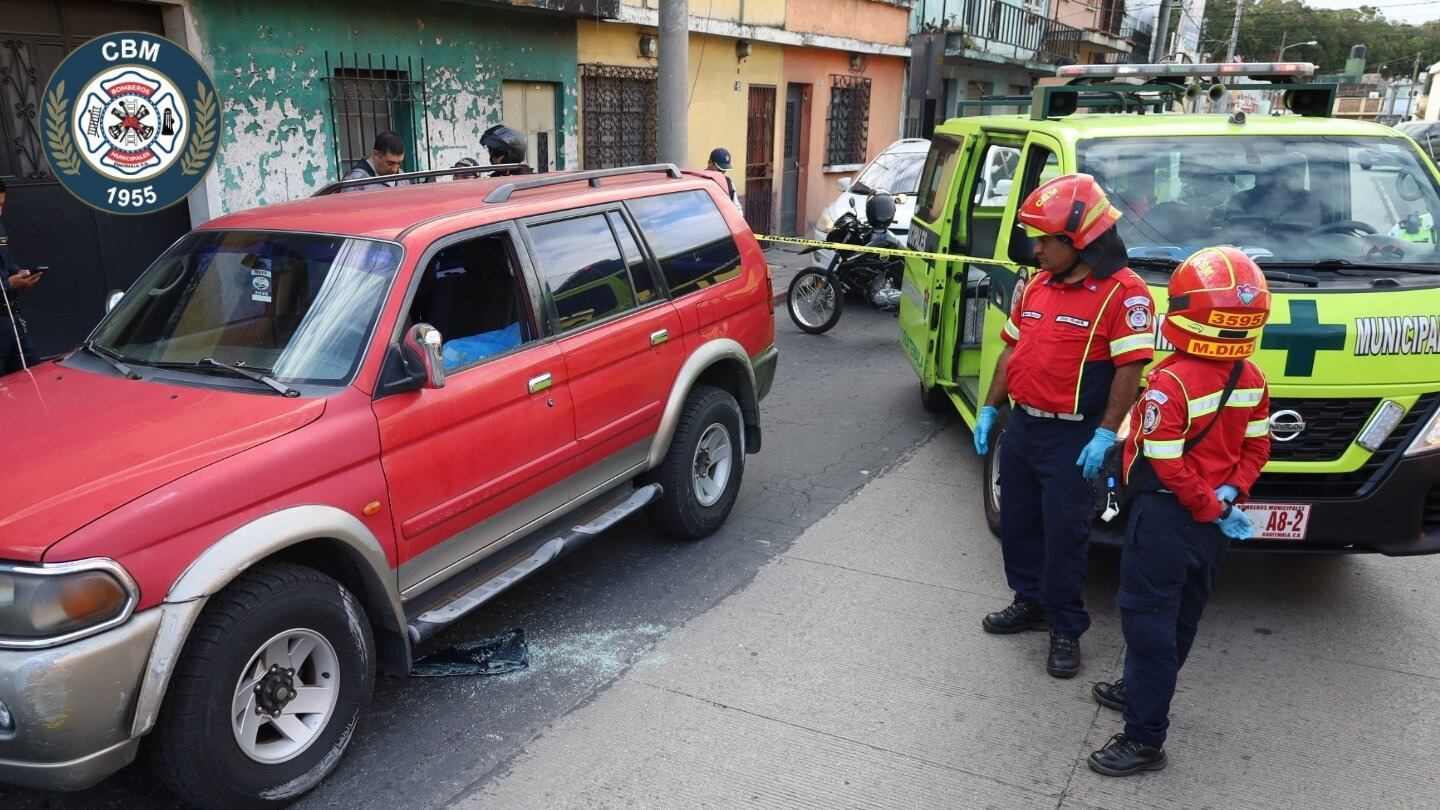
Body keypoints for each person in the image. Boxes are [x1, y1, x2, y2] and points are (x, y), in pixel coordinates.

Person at [1088, 246, 1272, 776]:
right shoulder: (1252, 378)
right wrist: (1230, 498)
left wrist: (1208, 502)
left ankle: (1144, 739)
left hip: (1170, 519)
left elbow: (1166, 463)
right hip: (1212, 528)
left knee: (1149, 627)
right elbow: (1257, 450)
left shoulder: (1170, 383)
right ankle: (1142, 693)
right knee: (1183, 617)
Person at [972, 173, 1155, 678]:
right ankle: (1028, 601)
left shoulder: (1124, 294)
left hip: (1074, 439)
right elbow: (1012, 350)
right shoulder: (1036, 285)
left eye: (1045, 240)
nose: (1036, 249)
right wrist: (991, 408)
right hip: (1024, 427)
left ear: (1081, 241)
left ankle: (1065, 628)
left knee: (1065, 536)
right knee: (1018, 523)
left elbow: (1129, 368)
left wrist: (1105, 434)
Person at [0, 179, 41, 374]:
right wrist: (8, 285)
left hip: (11, 319)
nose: (0, 212)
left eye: (1, 205)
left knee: (32, 373)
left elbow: (5, 262)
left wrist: (21, 274)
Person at [341, 130, 408, 192]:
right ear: (376, 155)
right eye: (390, 163)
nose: (395, 170)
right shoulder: (356, 180)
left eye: (399, 163)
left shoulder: (401, 176)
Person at [707, 147, 743, 212]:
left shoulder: (729, 183)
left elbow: (737, 209)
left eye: (724, 170)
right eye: (720, 169)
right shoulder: (701, 183)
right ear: (710, 163)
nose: (723, 172)